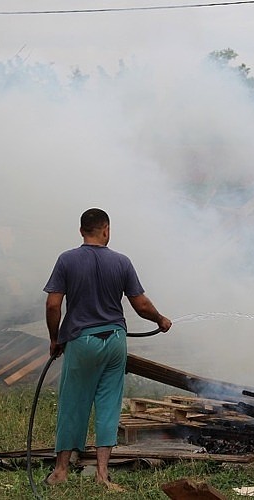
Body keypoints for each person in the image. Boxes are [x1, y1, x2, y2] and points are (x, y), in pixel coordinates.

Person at [43, 208, 172, 491]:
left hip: (82, 340)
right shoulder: (122, 262)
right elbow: (140, 304)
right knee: (108, 405)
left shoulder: (67, 260)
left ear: (81, 231)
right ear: (106, 230)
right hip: (115, 340)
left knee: (72, 404)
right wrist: (160, 319)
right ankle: (103, 475)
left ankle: (61, 470)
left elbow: (53, 305)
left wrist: (55, 338)